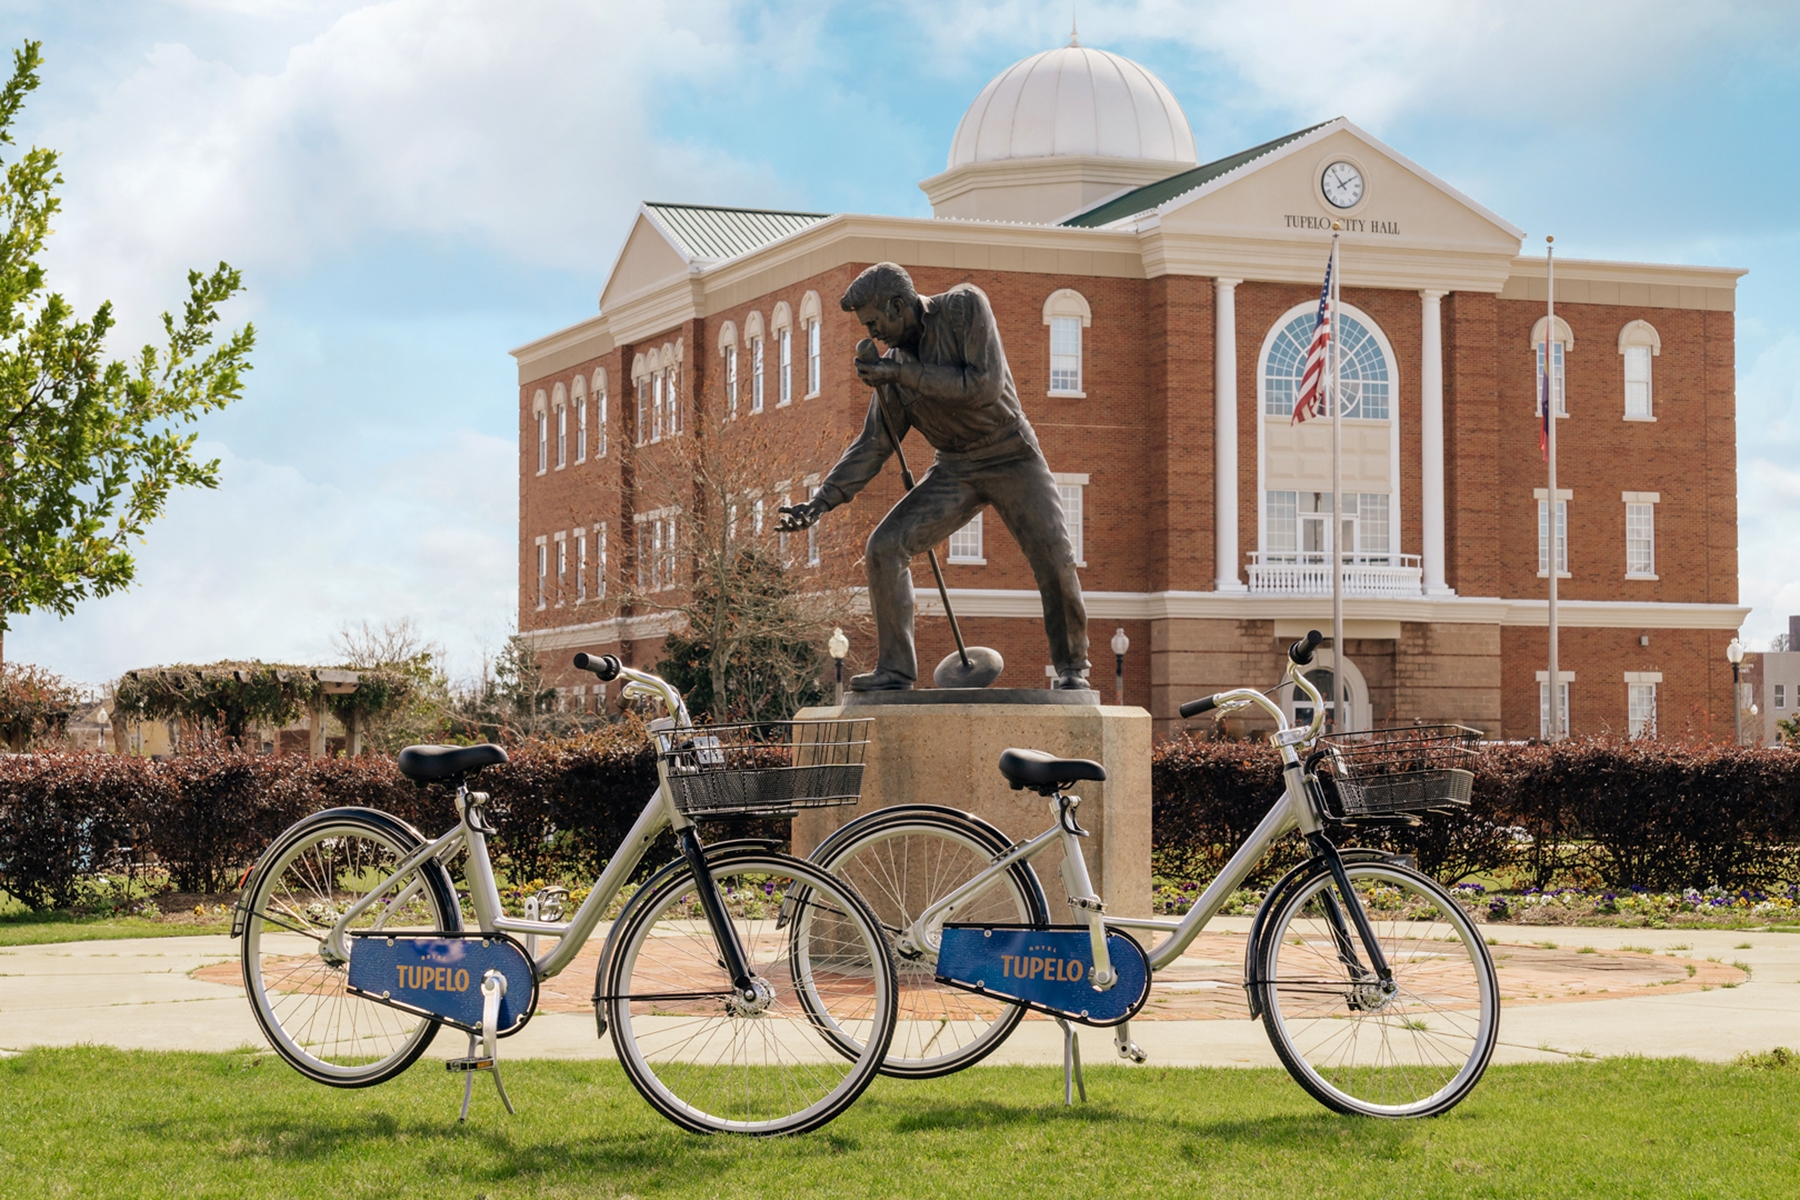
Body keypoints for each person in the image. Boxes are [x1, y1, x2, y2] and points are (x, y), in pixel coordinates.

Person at [778, 262, 1089, 691]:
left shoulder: (964, 308)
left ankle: (1072, 667)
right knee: (884, 548)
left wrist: (900, 374)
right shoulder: (892, 368)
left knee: (1054, 555)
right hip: (954, 469)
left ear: (898, 304)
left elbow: (984, 386)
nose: (872, 334)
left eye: (874, 322)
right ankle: (896, 670)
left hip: (1011, 453)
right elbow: (873, 445)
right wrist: (820, 501)